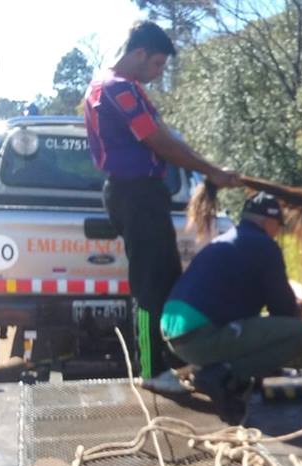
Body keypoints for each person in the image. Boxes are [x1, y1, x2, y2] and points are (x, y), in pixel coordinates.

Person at [83, 21, 240, 393]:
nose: (158, 73)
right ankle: (152, 371)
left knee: (165, 276)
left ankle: (172, 360)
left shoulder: (108, 85)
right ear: (140, 54)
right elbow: (160, 142)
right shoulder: (121, 90)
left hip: (136, 193)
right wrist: (212, 171)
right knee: (151, 283)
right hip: (136, 194)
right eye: (157, 65)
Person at [161, 192, 302, 421]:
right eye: (278, 226)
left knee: (256, 329)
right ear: (268, 222)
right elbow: (282, 308)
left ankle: (219, 371)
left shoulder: (227, 239)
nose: (278, 232)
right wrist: (298, 313)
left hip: (173, 332)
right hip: (199, 338)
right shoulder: (265, 246)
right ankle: (222, 375)